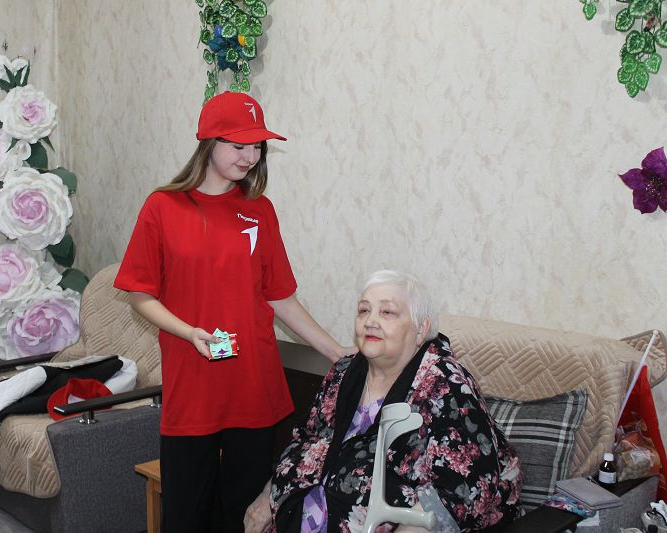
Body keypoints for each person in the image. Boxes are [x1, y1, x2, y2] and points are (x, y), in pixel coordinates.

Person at [114, 91, 355, 533]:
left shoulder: (260, 211)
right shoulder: (163, 207)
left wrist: (334, 350)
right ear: (208, 142)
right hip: (193, 385)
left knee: (243, 517)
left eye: (257, 145)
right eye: (238, 145)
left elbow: (279, 297)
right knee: (185, 516)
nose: (250, 156)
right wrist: (188, 332)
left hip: (252, 383)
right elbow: (139, 295)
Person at [245, 270, 523, 532]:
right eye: (364, 310)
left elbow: (464, 491)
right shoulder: (344, 372)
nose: (371, 321)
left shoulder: (446, 387)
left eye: (387, 312)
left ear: (421, 328)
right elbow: (305, 439)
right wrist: (267, 497)